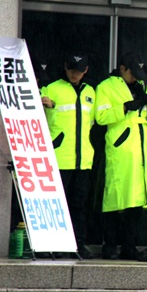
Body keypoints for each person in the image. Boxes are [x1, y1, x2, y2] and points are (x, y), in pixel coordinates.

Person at [95, 51, 147, 260]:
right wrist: (124, 107)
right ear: (122, 68)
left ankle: (129, 245)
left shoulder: (141, 84)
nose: (136, 77)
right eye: (132, 72)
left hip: (141, 146)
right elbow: (101, 116)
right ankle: (110, 244)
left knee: (136, 200)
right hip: (121, 146)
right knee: (115, 196)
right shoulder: (106, 86)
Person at [40, 53, 95, 259]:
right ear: (65, 67)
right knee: (56, 204)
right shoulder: (52, 88)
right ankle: (51, 245)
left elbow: (93, 122)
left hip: (83, 160)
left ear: (86, 70)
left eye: (79, 70)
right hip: (59, 157)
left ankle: (78, 244)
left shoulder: (91, 92)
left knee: (79, 205)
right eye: (72, 69)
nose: (75, 74)